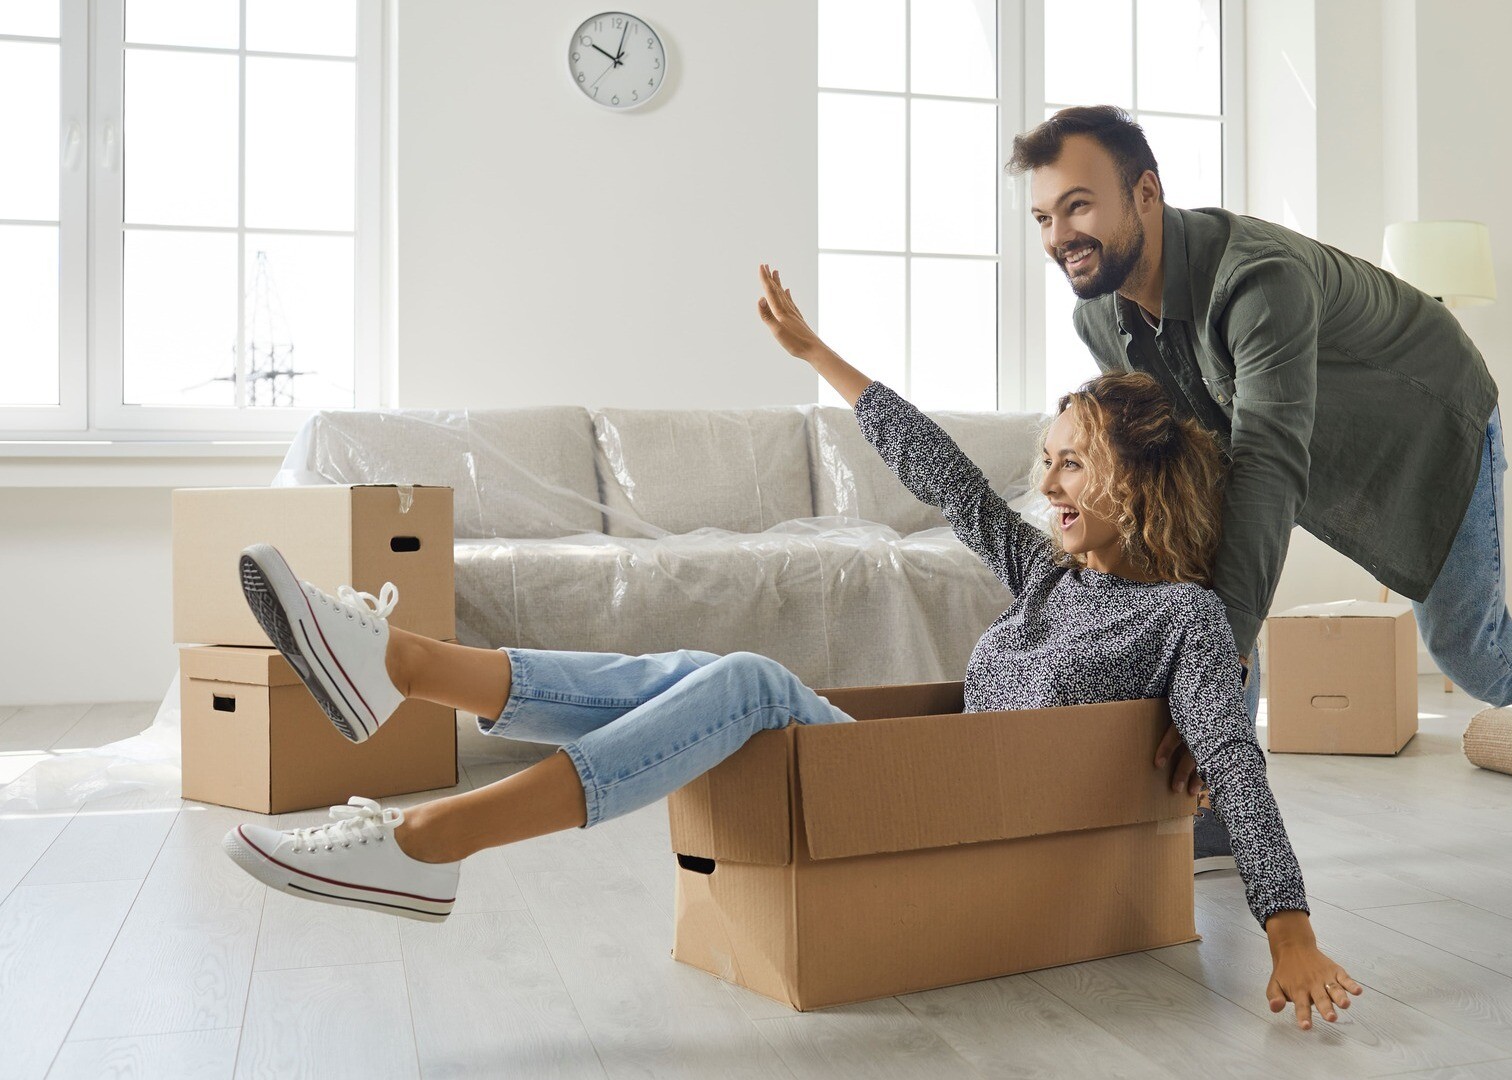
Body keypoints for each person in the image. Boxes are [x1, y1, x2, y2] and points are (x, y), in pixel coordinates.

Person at [217, 264, 1361, 1029]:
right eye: (1050, 457)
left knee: (748, 680)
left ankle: (424, 826)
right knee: (699, 677)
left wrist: (1290, 934)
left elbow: (1240, 769)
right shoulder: (1047, 577)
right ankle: (407, 677)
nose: (1048, 480)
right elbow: (943, 475)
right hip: (922, 793)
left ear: (1144, 482)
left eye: (1074, 461)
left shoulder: (1183, 620)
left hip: (950, 811)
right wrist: (818, 354)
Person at [1007, 107, 1512, 873]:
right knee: (1203, 599)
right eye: (1045, 216)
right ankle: (1216, 794)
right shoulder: (1100, 316)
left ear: (1145, 193)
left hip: (1427, 426)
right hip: (1295, 440)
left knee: (1470, 649)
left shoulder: (1257, 279)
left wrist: (1223, 644)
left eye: (1078, 205)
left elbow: (1269, 464)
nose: (1058, 236)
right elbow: (1177, 462)